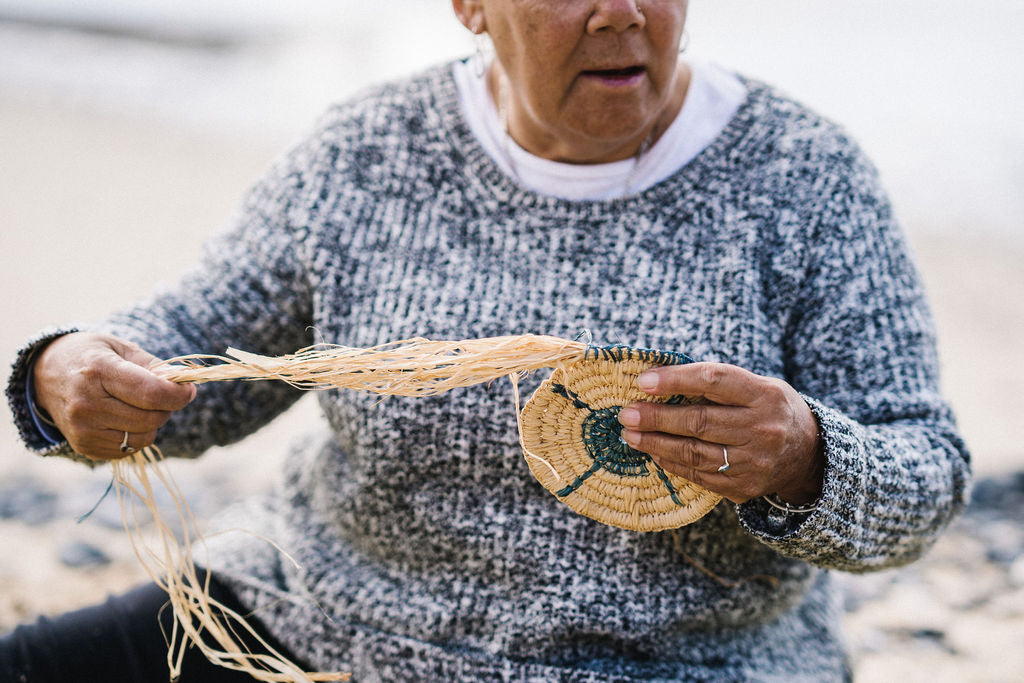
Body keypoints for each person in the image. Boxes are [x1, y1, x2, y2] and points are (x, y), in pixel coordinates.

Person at [3, 1, 970, 680]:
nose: (621, 12)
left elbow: (925, 473)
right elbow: (188, 361)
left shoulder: (805, 178)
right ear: (469, 4)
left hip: (680, 666)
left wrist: (806, 459)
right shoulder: (369, 155)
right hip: (324, 629)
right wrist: (65, 375)